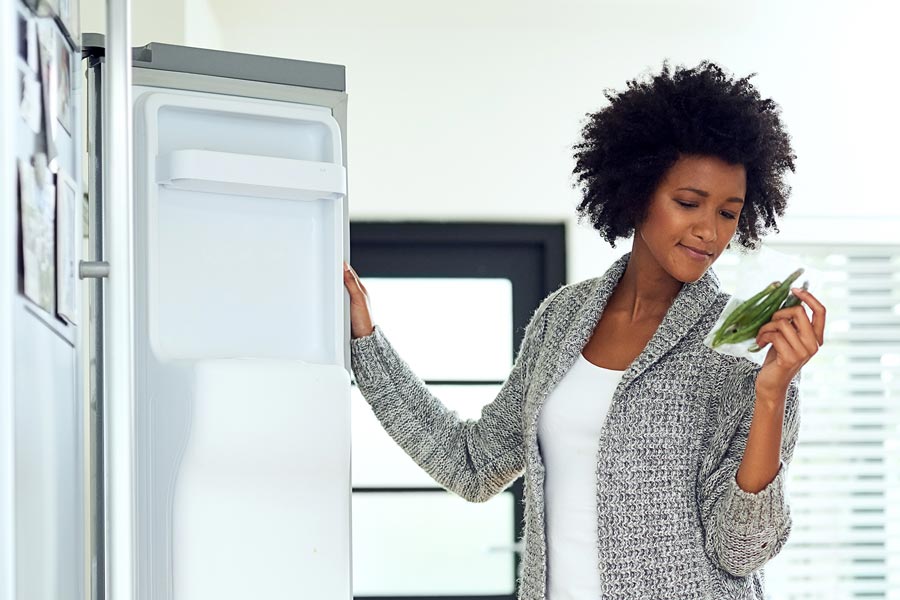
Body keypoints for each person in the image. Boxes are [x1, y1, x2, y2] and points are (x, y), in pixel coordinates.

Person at [342, 59, 827, 600]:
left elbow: (741, 549)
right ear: (638, 191)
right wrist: (366, 345)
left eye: (728, 213)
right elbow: (474, 466)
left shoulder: (743, 344)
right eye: (688, 203)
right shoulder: (561, 320)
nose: (708, 231)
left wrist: (772, 393)